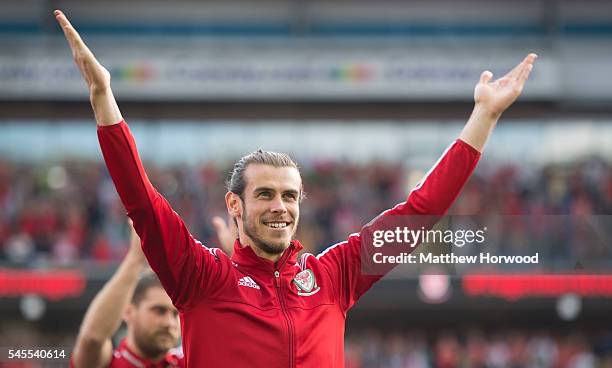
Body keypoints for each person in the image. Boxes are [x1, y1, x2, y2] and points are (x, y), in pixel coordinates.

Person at [55, 9, 537, 367]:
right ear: (235, 205)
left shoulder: (336, 276)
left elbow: (420, 211)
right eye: (265, 194)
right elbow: (141, 198)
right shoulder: (201, 278)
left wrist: (484, 116)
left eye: (289, 196)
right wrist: (104, 100)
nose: (280, 207)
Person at [70, 221, 183, 367]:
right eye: (159, 311)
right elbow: (92, 339)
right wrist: (135, 260)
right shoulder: (109, 363)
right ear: (128, 311)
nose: (169, 323)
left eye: (175, 314)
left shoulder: (187, 362)